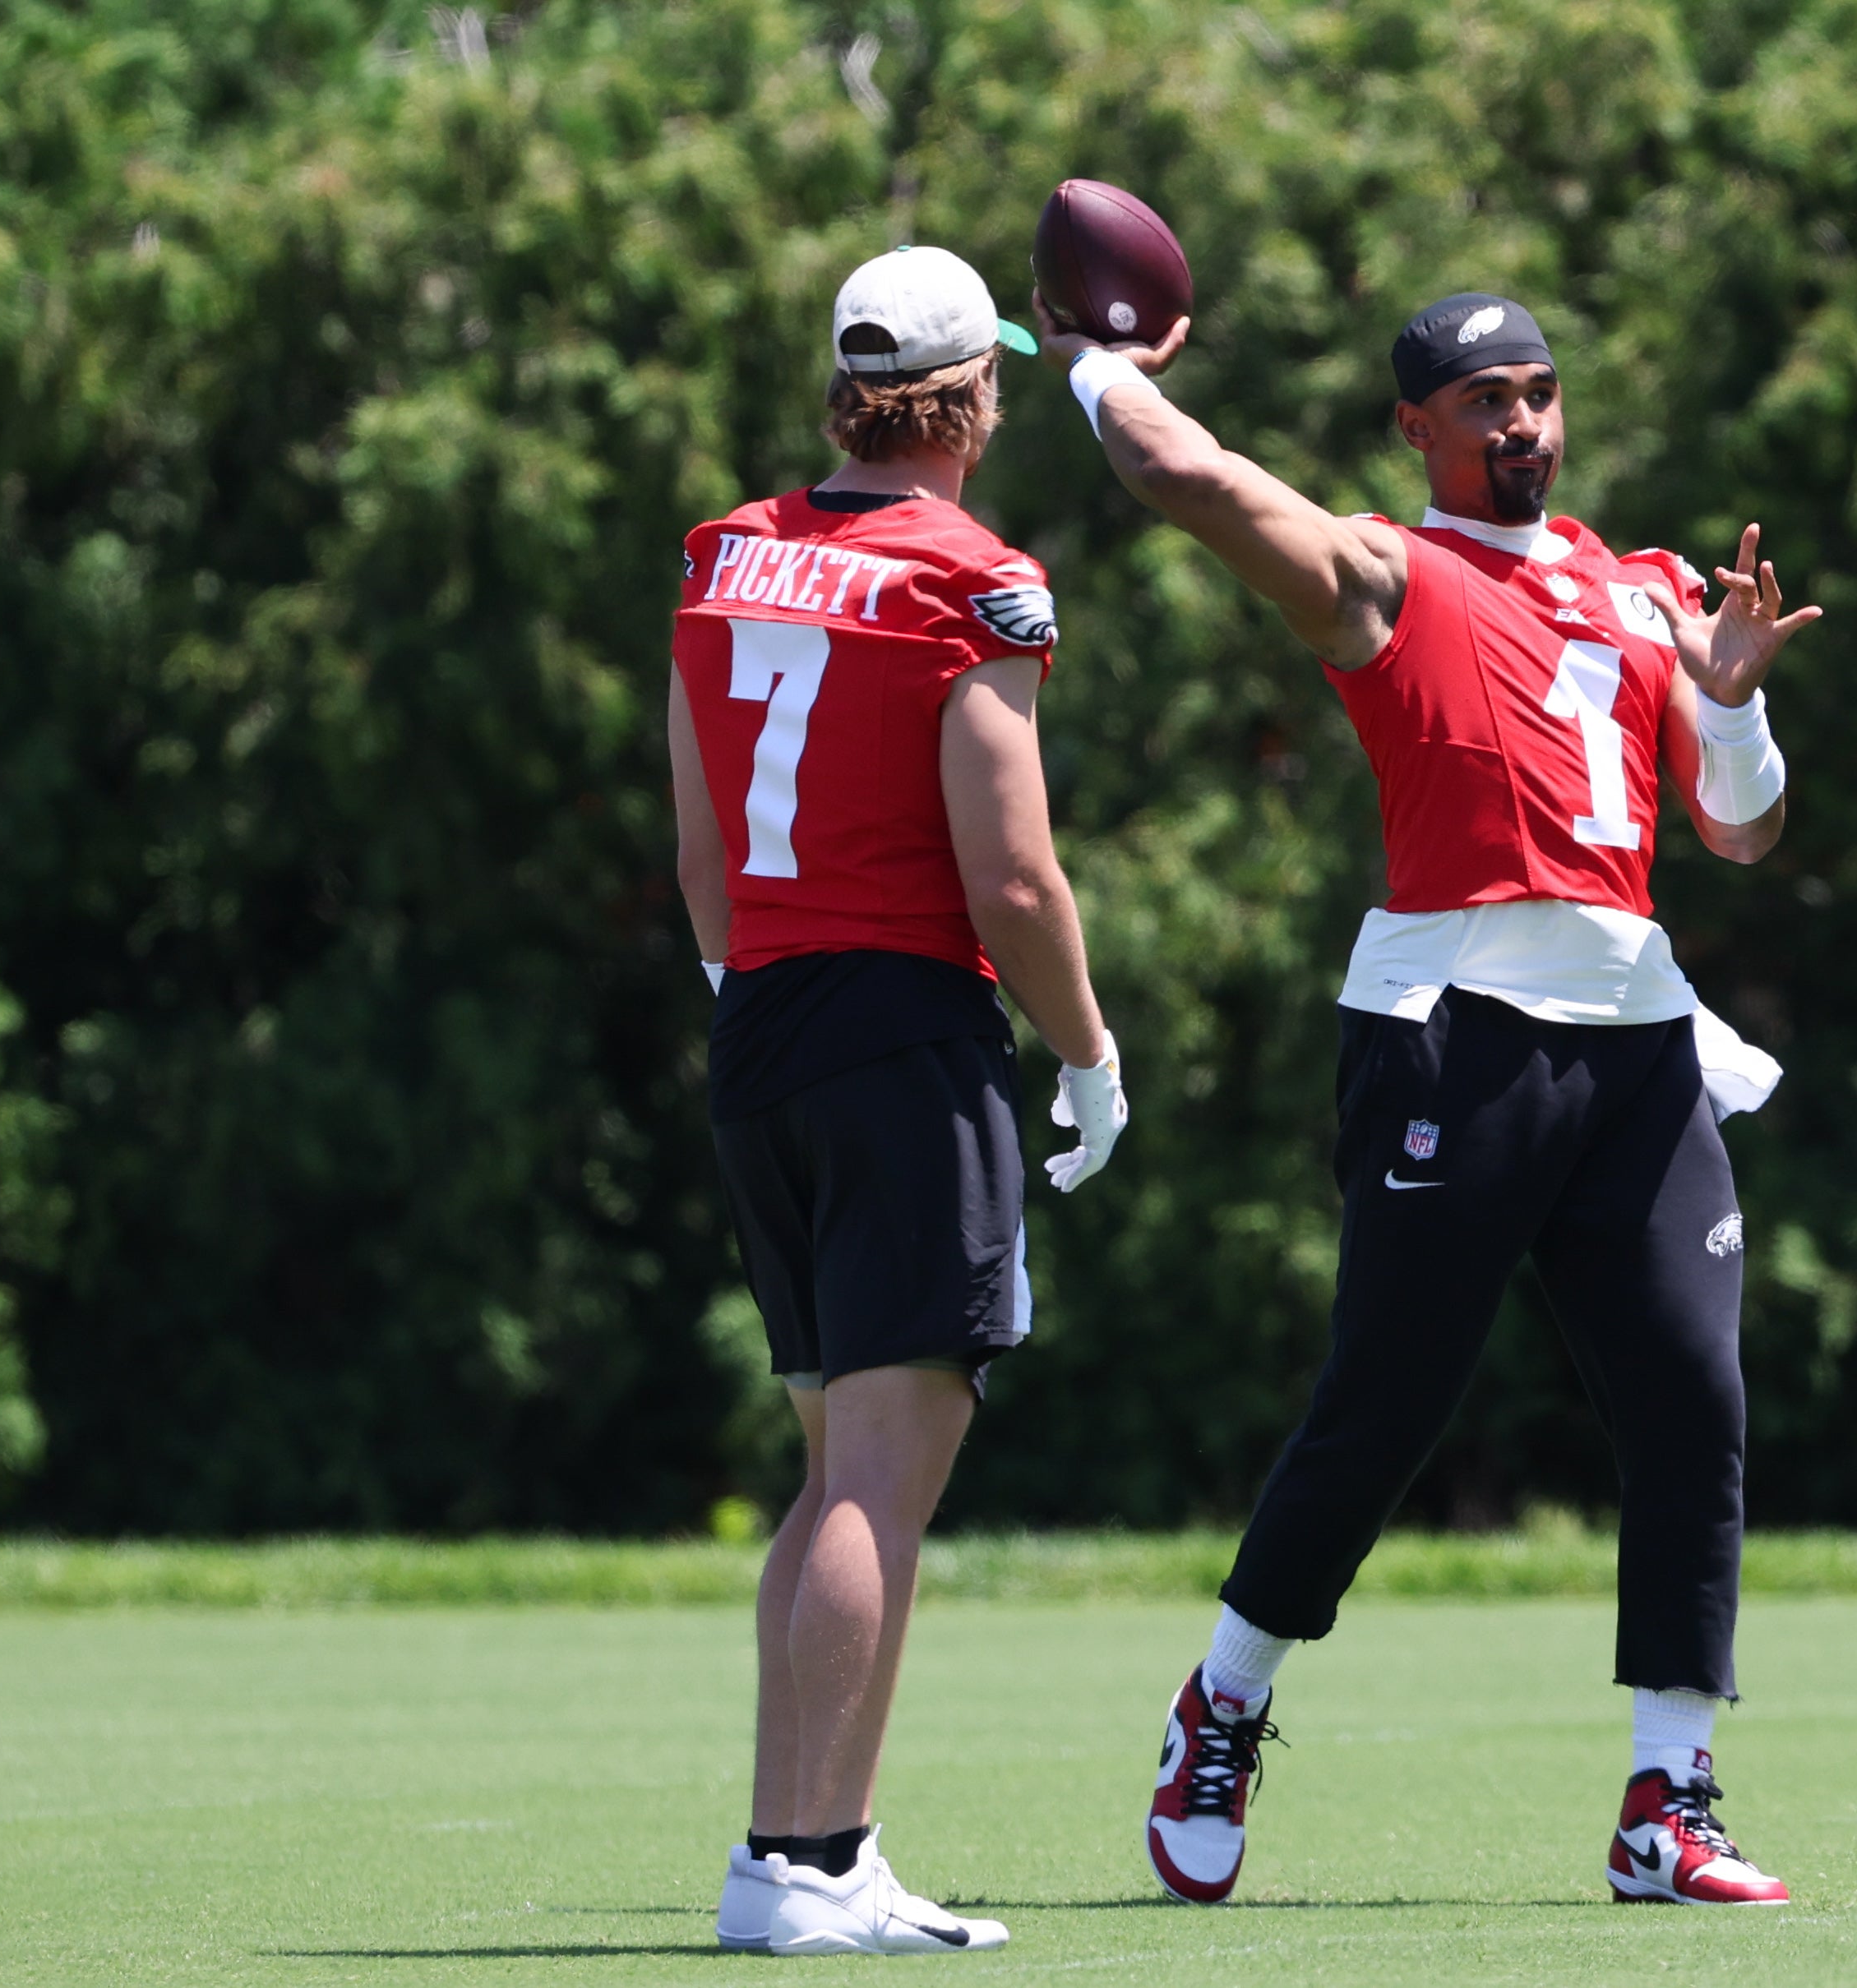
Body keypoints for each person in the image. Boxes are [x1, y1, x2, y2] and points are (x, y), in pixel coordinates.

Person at [1044, 292, 1818, 1908]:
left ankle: (1667, 1799)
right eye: (1484, 399)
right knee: (1386, 1407)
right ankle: (1224, 1699)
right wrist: (1096, 362)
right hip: (1453, 1035)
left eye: (1539, 392)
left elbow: (1740, 834)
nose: (1523, 422)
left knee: (1692, 1396)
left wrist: (1736, 699)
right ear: (1418, 427)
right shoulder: (1386, 573)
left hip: (1635, 1038)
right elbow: (1191, 479)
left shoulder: (1644, 584)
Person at [671, 244, 1127, 1957]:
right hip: (901, 1036)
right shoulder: (975, 578)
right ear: (970, 402)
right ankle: (817, 1859)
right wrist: (1086, 1050)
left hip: (762, 1026)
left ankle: (780, 1860)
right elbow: (1011, 878)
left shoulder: (724, 552)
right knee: (881, 1477)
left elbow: (703, 845)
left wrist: (748, 998)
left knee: (825, 1474)